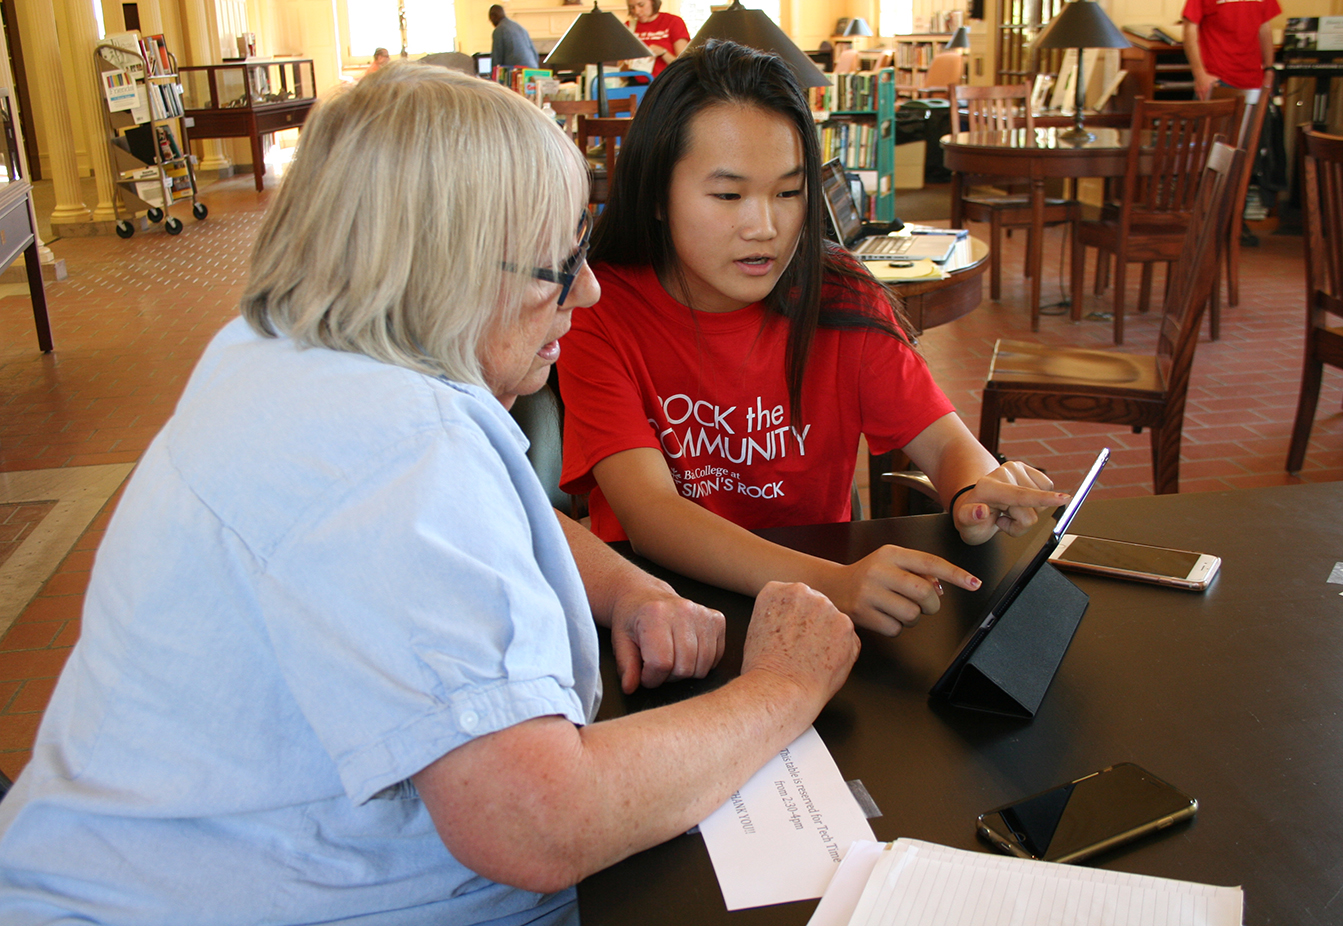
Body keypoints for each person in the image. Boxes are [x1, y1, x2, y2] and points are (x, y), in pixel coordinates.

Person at [0, 64, 860, 926]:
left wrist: (627, 587)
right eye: (557, 266)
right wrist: (783, 687)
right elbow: (537, 824)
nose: (586, 292)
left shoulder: (292, 350)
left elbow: (484, 523)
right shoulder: (397, 451)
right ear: (441, 267)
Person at [557, 41, 1068, 639]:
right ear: (657, 198)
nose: (764, 227)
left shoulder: (838, 295)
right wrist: (834, 582)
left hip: (816, 619)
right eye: (728, 195)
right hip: (663, 615)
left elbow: (948, 445)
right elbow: (652, 515)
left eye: (788, 191)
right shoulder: (601, 305)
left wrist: (977, 491)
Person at [1182, 0, 1280, 99]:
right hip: (1217, 80)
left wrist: (1269, 69)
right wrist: (1200, 75)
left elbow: (1264, 26)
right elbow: (1190, 28)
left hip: (1254, 80)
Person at [626, 0, 689, 75]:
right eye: (632, 7)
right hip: (637, 82)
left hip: (665, 80)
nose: (637, 11)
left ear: (653, 2)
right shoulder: (628, 26)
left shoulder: (673, 22)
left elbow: (684, 65)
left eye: (641, 5)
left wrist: (663, 53)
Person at [488, 4, 538, 69]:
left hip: (517, 72)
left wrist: (492, 77)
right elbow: (535, 54)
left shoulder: (499, 30)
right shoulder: (520, 28)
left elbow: (497, 59)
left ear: (493, 16)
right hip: (533, 68)